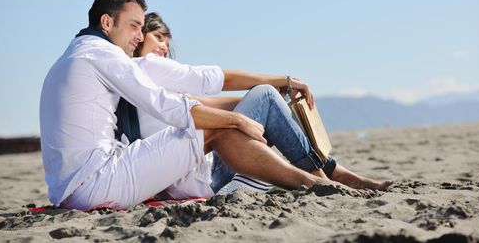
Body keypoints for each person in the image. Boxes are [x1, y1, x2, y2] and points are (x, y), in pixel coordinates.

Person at [40, 0, 355, 211]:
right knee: (209, 128)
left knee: (216, 121)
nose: (139, 35)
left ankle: (318, 177)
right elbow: (165, 104)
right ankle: (317, 181)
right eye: (135, 25)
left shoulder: (74, 55)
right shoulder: (104, 55)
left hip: (69, 189)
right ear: (107, 23)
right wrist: (237, 119)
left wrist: (239, 112)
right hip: (97, 184)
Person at [132, 12, 393, 199]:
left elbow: (214, 104)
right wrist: (283, 83)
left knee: (267, 98)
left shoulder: (141, 86)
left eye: (167, 42)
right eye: (157, 37)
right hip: (202, 176)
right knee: (266, 94)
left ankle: (330, 171)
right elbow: (226, 78)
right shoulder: (147, 66)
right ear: (139, 37)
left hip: (194, 181)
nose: (164, 48)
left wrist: (275, 106)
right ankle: (325, 174)